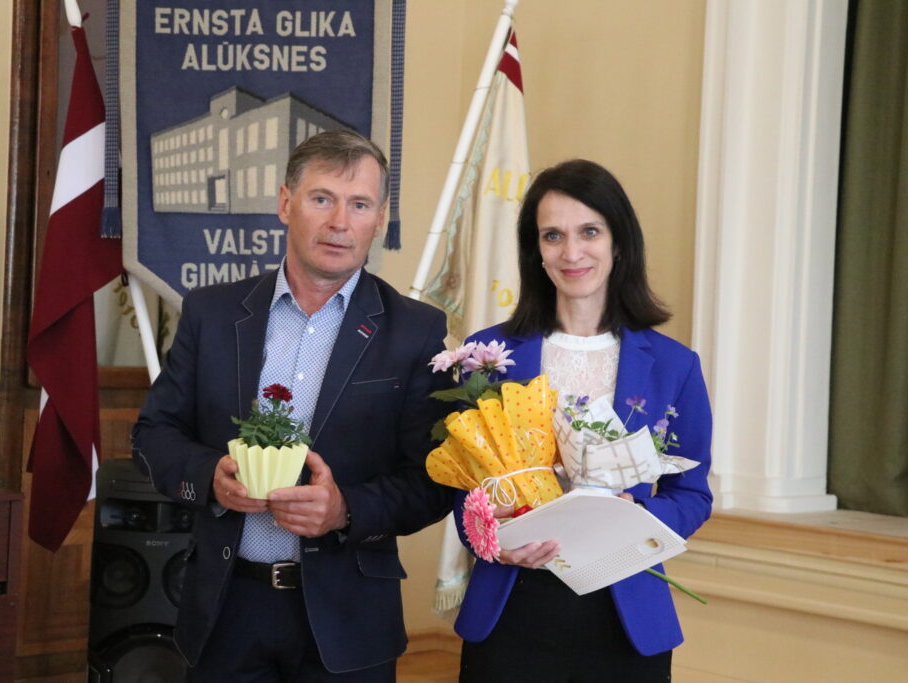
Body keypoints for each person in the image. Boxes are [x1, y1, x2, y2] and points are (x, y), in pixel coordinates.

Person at [132, 130, 454, 681]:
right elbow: (153, 434)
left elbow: (434, 480)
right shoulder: (211, 313)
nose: (339, 222)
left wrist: (345, 509)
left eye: (360, 205)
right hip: (227, 610)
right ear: (286, 204)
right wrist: (209, 476)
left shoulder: (415, 331)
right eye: (321, 198)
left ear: (379, 219)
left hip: (349, 619)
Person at [454, 159, 713, 681]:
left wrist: (634, 517)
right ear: (536, 251)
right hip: (511, 610)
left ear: (619, 243)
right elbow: (459, 486)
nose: (571, 253)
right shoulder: (488, 355)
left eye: (589, 231)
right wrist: (491, 530)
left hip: (625, 619)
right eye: (553, 236)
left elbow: (692, 494)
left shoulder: (674, 365)